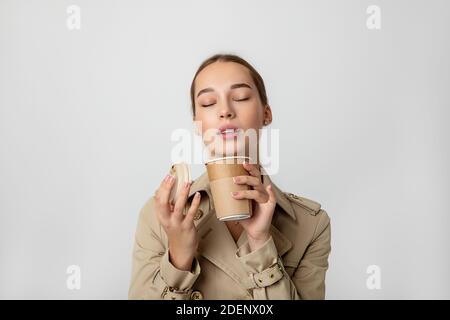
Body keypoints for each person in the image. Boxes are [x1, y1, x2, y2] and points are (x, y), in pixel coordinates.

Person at [128, 54, 331, 300]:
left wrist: (260, 244)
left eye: (240, 98)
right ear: (197, 124)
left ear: (266, 114)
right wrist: (178, 260)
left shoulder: (311, 224)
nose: (225, 111)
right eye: (208, 102)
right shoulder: (160, 216)